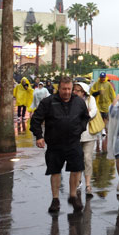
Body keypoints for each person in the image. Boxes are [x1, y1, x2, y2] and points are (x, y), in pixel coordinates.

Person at [30, 76, 90, 213]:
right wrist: (39, 136)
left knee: (76, 169)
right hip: (55, 144)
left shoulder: (79, 102)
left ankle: (73, 195)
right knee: (55, 171)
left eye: (70, 89)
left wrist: (80, 128)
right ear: (59, 88)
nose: (67, 92)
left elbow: (85, 117)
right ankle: (55, 199)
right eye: (64, 89)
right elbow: (35, 120)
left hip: (74, 142)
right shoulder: (48, 102)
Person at [73, 82, 100, 197]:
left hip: (89, 135)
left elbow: (93, 112)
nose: (74, 92)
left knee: (87, 158)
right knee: (77, 159)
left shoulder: (91, 99)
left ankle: (88, 185)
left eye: (77, 90)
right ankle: (78, 181)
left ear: (83, 92)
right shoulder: (71, 101)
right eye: (74, 90)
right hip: (75, 135)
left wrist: (82, 115)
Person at [90, 72, 116, 138]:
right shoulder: (96, 84)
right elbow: (92, 93)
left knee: (106, 118)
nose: (102, 79)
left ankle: (104, 129)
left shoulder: (108, 84)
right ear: (100, 77)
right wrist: (98, 92)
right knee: (100, 118)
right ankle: (102, 130)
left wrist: (114, 102)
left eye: (103, 77)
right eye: (101, 77)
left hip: (107, 105)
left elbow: (112, 93)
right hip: (98, 104)